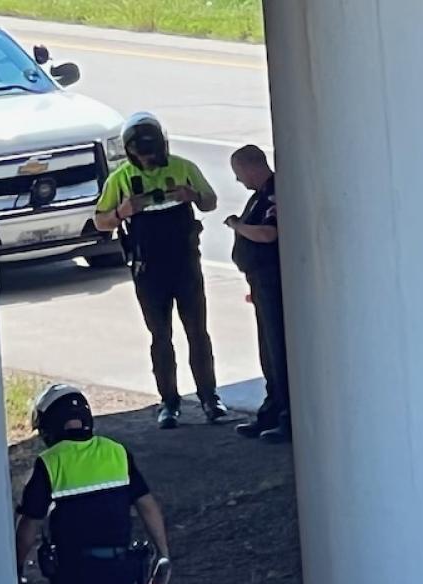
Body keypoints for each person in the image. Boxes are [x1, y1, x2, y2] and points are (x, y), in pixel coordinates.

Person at [95, 112, 231, 431]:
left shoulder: (183, 168)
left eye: (154, 152)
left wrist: (192, 196)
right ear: (131, 153)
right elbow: (100, 221)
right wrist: (122, 211)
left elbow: (211, 202)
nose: (150, 159)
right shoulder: (121, 179)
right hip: (148, 268)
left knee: (197, 331)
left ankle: (209, 397)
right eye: (143, 154)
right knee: (160, 335)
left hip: (185, 263)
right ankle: (169, 401)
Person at [16, 384, 173, 584]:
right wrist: (163, 553)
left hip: (74, 574)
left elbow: (28, 526)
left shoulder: (50, 462)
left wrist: (16, 568)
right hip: (121, 571)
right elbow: (147, 505)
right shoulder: (117, 452)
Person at [225, 145, 290, 443]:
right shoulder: (260, 194)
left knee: (279, 352)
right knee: (267, 351)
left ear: (251, 167)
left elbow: (269, 233)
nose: (239, 181)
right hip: (259, 283)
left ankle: (287, 417)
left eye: (239, 173)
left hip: (273, 282)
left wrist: (238, 226)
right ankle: (270, 411)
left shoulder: (274, 193)